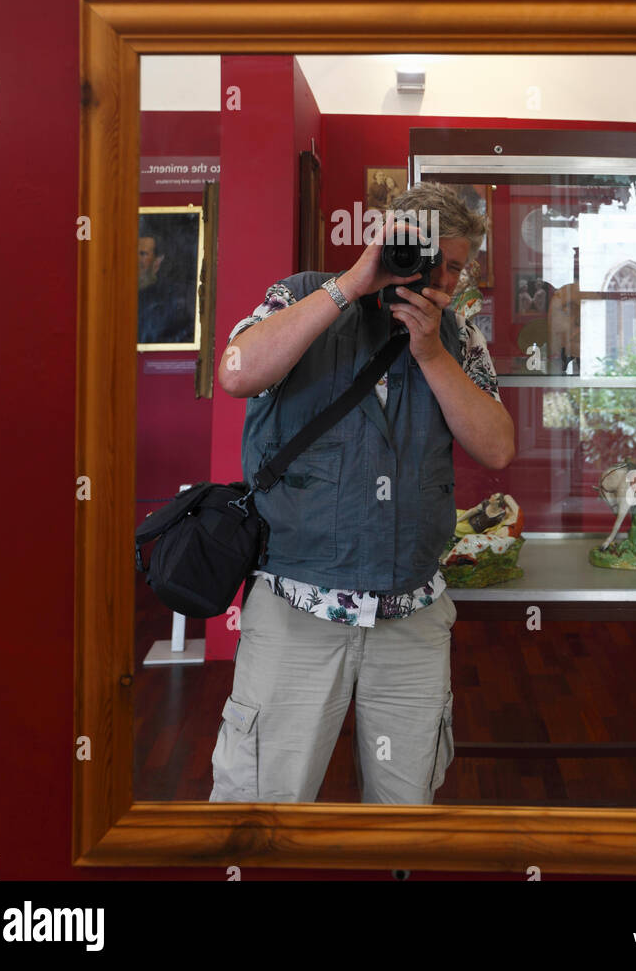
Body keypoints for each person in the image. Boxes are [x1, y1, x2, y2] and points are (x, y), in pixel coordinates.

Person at [209, 182, 515, 805]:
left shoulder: (456, 336)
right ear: (380, 238)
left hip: (412, 615)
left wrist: (431, 353)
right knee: (264, 804)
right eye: (421, 254)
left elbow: (498, 446)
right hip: (296, 607)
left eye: (453, 266)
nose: (440, 276)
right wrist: (351, 283)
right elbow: (235, 372)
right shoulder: (299, 296)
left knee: (406, 811)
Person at [137, 227, 195, 343]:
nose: (136, 259)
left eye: (143, 254)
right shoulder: (118, 295)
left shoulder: (172, 298)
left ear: (157, 261)